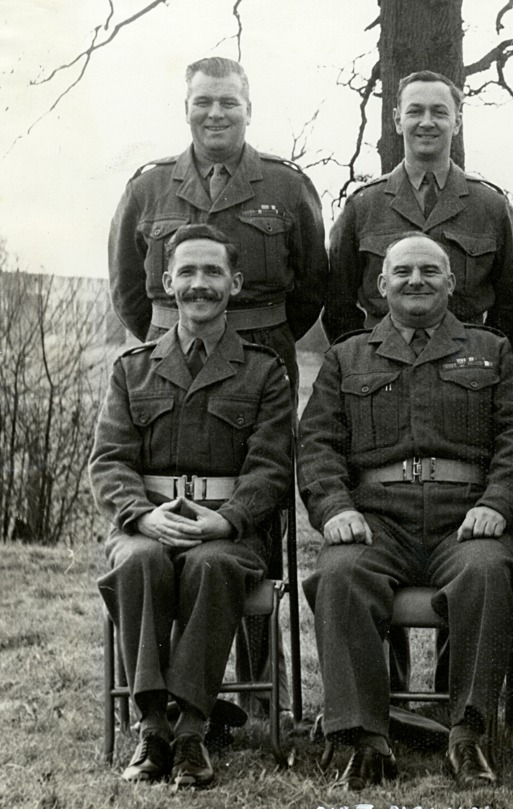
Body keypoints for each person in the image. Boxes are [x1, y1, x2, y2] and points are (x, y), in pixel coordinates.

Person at [299, 233, 513, 791]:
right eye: (402, 272)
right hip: (377, 518)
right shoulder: (347, 356)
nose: (416, 281)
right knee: (340, 572)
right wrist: (334, 508)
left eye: (430, 272)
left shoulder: (492, 351)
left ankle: (468, 735)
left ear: (452, 284)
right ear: (380, 285)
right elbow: (317, 446)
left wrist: (497, 504)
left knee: (486, 571)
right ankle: (363, 739)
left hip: (466, 516)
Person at [92, 224, 294, 789]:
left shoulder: (263, 371)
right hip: (146, 523)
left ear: (234, 282)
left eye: (211, 272)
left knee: (213, 564)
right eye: (187, 272)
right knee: (138, 561)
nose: (198, 284)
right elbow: (109, 461)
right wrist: (141, 515)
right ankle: (154, 727)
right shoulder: (132, 369)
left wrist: (227, 520)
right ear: (165, 283)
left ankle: (192, 732)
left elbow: (272, 466)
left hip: (229, 529)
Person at [108, 56, 326, 390]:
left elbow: (312, 288)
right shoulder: (147, 189)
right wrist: (179, 329)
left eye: (228, 102)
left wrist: (264, 332)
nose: (215, 114)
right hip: (168, 359)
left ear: (248, 111)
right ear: (186, 109)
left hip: (262, 360)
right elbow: (127, 291)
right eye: (203, 102)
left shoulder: (288, 186)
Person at [324, 70, 513, 351]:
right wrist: (362, 362)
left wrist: (488, 362)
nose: (427, 122)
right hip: (381, 365)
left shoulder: (490, 206)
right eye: (415, 111)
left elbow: (512, 306)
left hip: (467, 369)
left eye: (439, 112)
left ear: (457, 122)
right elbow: (338, 303)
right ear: (397, 120)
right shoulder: (363, 205)